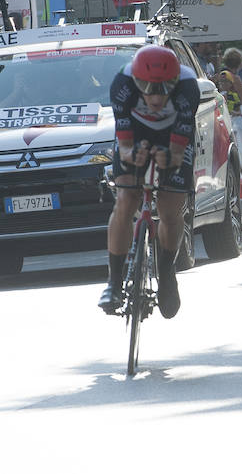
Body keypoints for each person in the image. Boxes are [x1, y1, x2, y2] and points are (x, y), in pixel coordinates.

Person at [98, 45, 200, 319]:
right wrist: (131, 154)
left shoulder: (188, 86)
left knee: (170, 208)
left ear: (175, 82)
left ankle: (167, 270)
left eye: (164, 87)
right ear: (136, 81)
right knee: (125, 199)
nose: (156, 96)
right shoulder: (122, 83)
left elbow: (181, 143)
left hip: (172, 135)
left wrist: (172, 158)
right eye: (148, 87)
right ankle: (114, 281)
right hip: (137, 132)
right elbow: (125, 138)